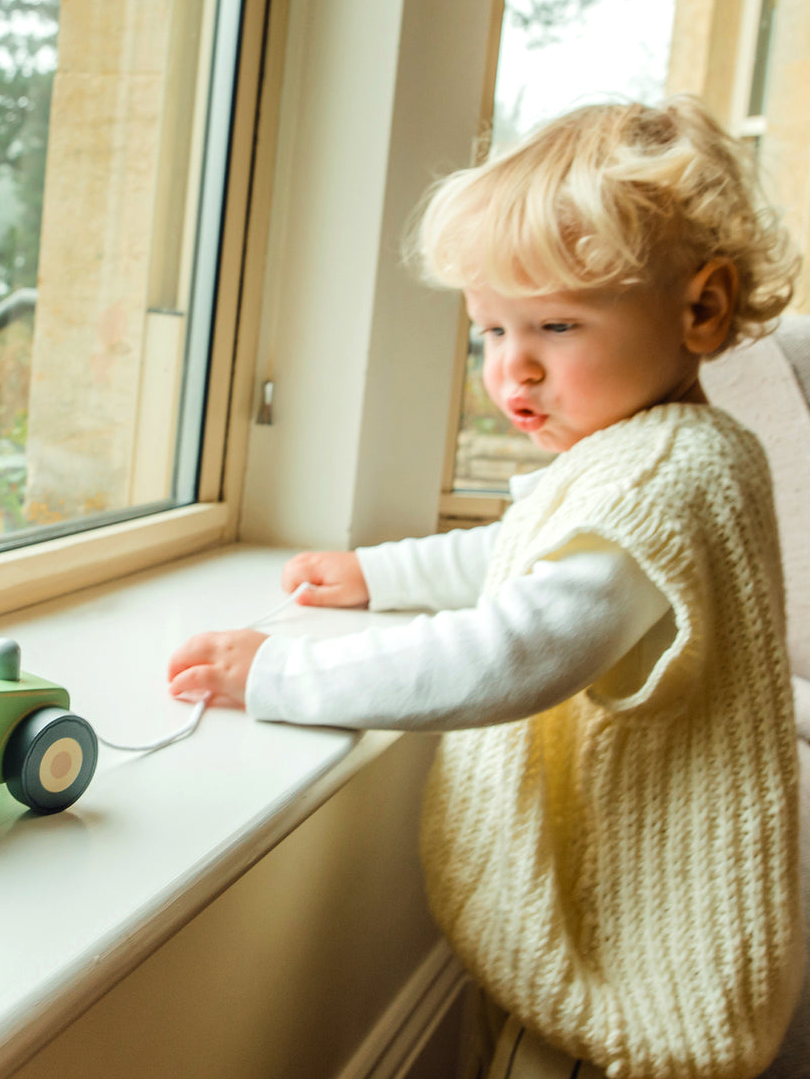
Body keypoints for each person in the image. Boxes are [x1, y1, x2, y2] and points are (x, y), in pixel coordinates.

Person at [167, 96, 804, 1079]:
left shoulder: (672, 477)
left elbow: (518, 649)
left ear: (702, 308)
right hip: (612, 918)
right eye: (489, 333)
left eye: (555, 323)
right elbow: (518, 552)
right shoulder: (639, 456)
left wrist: (283, 675)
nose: (515, 370)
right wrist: (376, 574)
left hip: (636, 957)